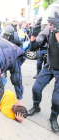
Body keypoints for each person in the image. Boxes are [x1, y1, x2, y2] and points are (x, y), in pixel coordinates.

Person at [27, 1, 59, 133]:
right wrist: (34, 35)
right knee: (36, 88)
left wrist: (57, 32)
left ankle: (53, 118)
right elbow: (34, 47)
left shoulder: (56, 29)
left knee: (57, 99)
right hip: (50, 65)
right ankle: (36, 106)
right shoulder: (50, 28)